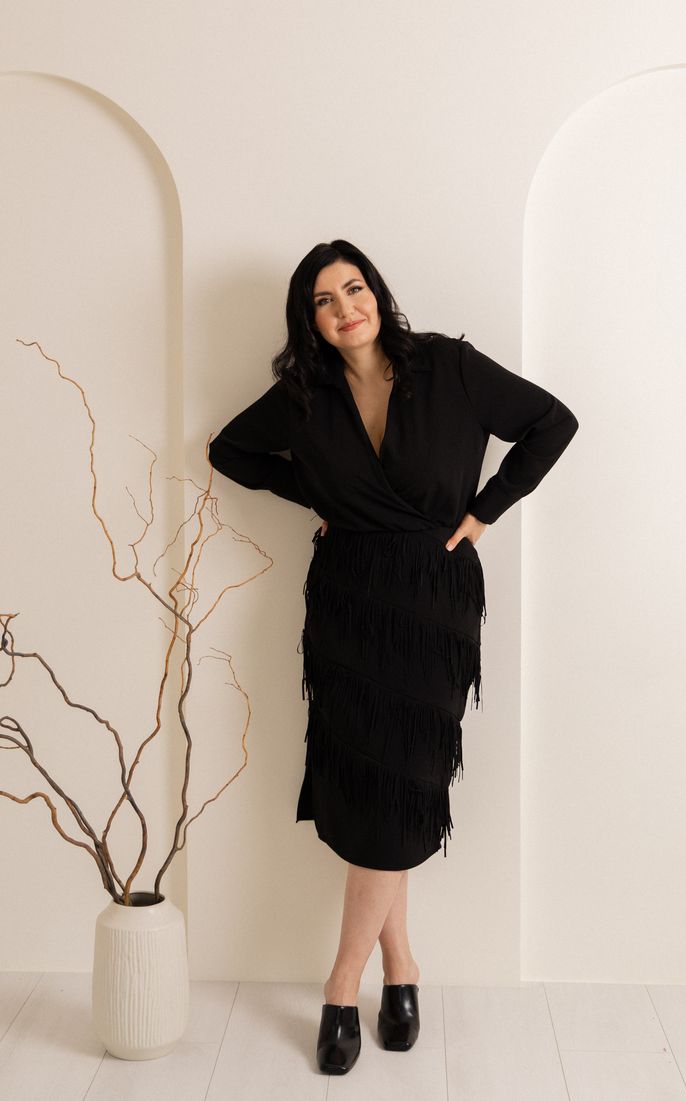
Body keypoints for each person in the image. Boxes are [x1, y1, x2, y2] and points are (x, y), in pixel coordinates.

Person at [208, 239, 579, 1075]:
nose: (346, 308)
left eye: (354, 288)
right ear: (310, 321)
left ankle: (343, 981)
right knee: (372, 785)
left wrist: (485, 510)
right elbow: (229, 451)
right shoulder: (305, 396)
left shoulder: (448, 366)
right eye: (325, 300)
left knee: (406, 779)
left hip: (432, 603)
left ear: (376, 291)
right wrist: (320, 494)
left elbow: (552, 422)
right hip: (348, 604)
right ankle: (402, 968)